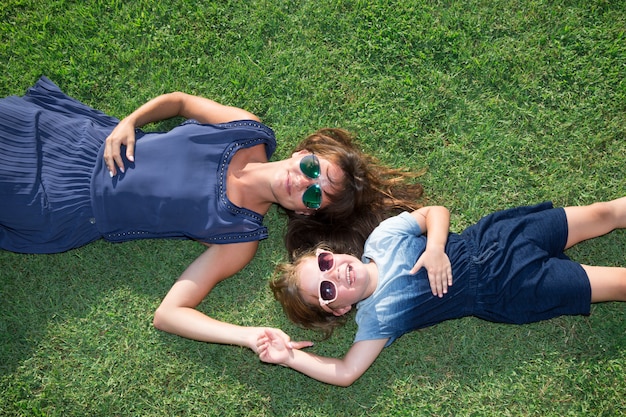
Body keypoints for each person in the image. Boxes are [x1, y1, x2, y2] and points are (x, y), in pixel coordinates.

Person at [0, 76, 424, 352]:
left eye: (315, 196)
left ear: (305, 213)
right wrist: (131, 121)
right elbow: (181, 102)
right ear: (302, 153)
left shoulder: (239, 237)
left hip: (63, 203)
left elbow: (169, 314)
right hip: (76, 139)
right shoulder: (248, 128)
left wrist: (251, 337)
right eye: (312, 169)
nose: (303, 184)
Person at [257, 198, 626, 386]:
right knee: (617, 283)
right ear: (337, 310)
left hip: (498, 237)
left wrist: (435, 248)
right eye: (326, 289)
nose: (334, 274)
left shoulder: (381, 238)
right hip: (509, 288)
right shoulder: (378, 317)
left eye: (324, 263)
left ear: (330, 252)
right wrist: (290, 358)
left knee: (601, 213)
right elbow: (346, 371)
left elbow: (435, 212)